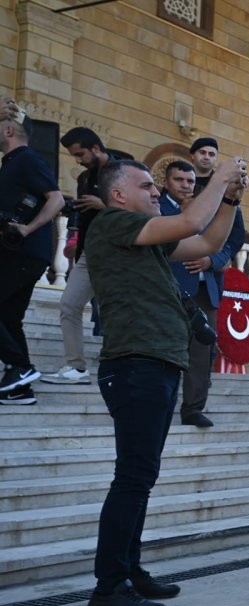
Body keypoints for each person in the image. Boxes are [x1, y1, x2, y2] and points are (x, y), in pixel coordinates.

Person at [82, 156, 246, 606]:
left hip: (153, 365)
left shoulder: (145, 240)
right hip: (135, 365)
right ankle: (108, 588)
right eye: (147, 186)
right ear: (118, 195)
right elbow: (193, 217)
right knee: (132, 478)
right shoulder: (112, 223)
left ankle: (129, 570)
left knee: (140, 477)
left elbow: (209, 238)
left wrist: (231, 197)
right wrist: (220, 177)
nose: (156, 192)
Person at [163, 155, 245, 428]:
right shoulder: (157, 208)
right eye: (179, 180)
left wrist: (212, 260)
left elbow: (228, 244)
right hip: (168, 291)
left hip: (203, 291)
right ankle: (162, 404)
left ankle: (193, 408)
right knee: (167, 350)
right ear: (166, 182)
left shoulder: (208, 208)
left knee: (201, 353)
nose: (185, 186)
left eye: (190, 181)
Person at [43, 128, 130, 386]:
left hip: (120, 253)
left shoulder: (125, 170)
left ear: (95, 148)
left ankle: (122, 368)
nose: (78, 159)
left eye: (80, 154)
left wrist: (103, 206)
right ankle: (76, 367)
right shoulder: (84, 178)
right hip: (89, 252)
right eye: (74, 155)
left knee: (117, 313)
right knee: (69, 304)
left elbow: (140, 211)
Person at [0, 114, 64, 403]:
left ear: (9, 130)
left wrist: (27, 228)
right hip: (21, 254)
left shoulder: (27, 159)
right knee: (9, 319)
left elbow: (57, 199)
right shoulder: (12, 163)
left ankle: (22, 368)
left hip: (23, 253)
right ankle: (20, 388)